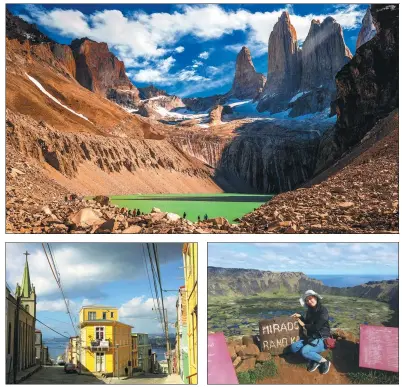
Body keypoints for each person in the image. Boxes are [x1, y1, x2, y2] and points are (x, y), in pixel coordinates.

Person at [289, 290, 331, 374]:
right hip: (311, 338)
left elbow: (316, 327)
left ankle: (324, 361)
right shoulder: (309, 311)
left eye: (310, 298)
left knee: (304, 351)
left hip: (322, 338)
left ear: (315, 298)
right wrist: (300, 316)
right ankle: (314, 359)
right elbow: (307, 323)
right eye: (307, 300)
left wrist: (304, 325)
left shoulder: (323, 311)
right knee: (293, 348)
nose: (309, 301)